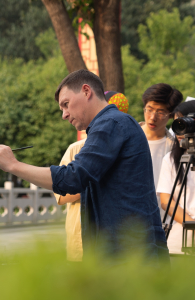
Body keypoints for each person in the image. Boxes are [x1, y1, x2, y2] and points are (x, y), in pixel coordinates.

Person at [0, 69, 169, 264]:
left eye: (66, 105)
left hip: (130, 256)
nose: (64, 115)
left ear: (86, 91)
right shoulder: (112, 123)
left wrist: (14, 165)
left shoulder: (111, 123)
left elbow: (72, 178)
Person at [55, 92, 129, 262]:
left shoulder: (128, 147)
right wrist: (96, 182)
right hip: (80, 239)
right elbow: (61, 196)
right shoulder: (76, 149)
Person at [157, 100, 195, 254]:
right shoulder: (170, 159)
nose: (179, 132)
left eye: (185, 125)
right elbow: (166, 201)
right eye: (178, 125)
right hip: (178, 240)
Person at [139, 83, 183, 219]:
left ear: (171, 116)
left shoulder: (175, 148)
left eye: (161, 112)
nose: (153, 117)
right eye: (149, 109)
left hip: (162, 220)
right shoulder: (128, 138)